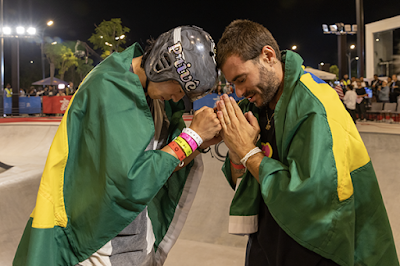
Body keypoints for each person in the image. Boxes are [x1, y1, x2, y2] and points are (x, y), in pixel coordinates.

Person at [13, 25, 221, 266]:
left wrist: (200, 142)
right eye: (180, 89)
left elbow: (160, 166)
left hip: (137, 241)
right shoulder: (109, 87)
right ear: (163, 67)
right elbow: (127, 181)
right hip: (98, 247)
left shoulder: (152, 97)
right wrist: (192, 136)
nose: (177, 99)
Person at [215, 19, 398, 266]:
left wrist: (249, 152)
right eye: (232, 83)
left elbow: (312, 202)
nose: (237, 92)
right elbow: (241, 182)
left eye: (241, 79)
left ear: (268, 56)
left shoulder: (315, 105)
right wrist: (237, 153)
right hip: (268, 246)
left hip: (319, 249)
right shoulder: (253, 108)